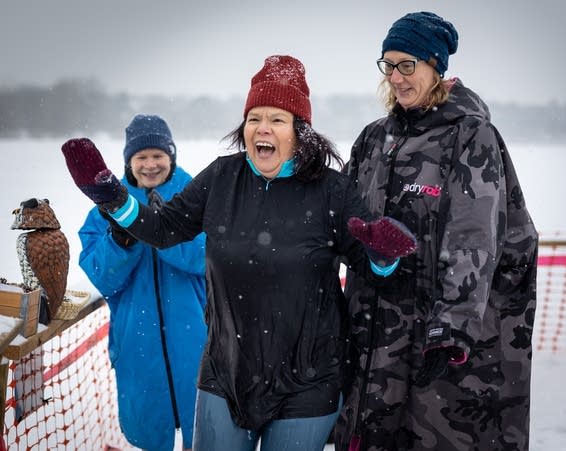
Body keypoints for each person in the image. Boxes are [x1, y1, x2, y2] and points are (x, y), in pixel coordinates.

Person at [61, 55, 417, 451]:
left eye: (277, 119)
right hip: (226, 372)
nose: (262, 128)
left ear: (300, 132)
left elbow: (375, 270)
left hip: (309, 378)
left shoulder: (331, 190)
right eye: (254, 118)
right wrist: (113, 198)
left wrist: (383, 256)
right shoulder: (221, 177)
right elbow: (162, 230)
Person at [333, 12, 539, 451]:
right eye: (388, 65)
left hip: (440, 344)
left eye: (407, 65)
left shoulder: (471, 136)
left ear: (436, 68)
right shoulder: (373, 140)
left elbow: (473, 236)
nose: (396, 77)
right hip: (375, 337)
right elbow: (341, 217)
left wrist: (452, 329)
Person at [77, 114, 208, 451]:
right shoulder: (102, 211)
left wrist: (161, 227)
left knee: (207, 432)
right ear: (128, 162)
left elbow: (206, 257)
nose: (150, 165)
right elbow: (101, 275)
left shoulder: (197, 197)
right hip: (137, 344)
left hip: (198, 340)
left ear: (171, 156)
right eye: (141, 157)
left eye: (158, 155)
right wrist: (123, 237)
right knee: (149, 434)